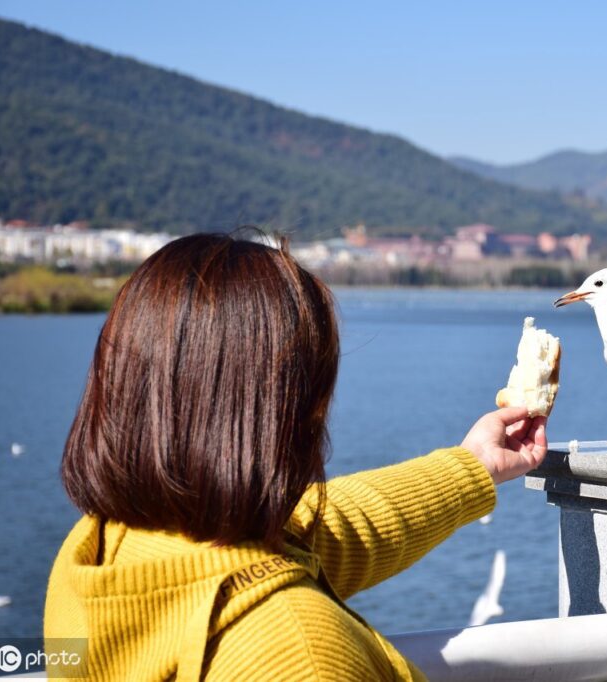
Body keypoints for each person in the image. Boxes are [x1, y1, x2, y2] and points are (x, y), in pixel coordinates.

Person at [44, 233, 548, 680]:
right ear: (288, 413)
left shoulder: (97, 557)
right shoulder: (300, 652)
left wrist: (471, 465)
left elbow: (328, 526)